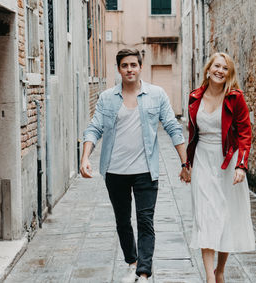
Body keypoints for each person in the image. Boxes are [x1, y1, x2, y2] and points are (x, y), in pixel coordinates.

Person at [81, 48, 191, 283]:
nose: (129, 69)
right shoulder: (107, 98)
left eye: (133, 65)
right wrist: (85, 157)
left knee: (145, 221)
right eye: (125, 65)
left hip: (145, 171)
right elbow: (94, 128)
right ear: (119, 69)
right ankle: (132, 262)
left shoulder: (157, 94)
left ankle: (143, 273)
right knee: (122, 222)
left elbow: (173, 127)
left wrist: (185, 162)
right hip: (115, 171)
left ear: (140, 67)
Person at [186, 52, 255, 283]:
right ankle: (208, 277)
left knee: (226, 217)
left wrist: (241, 166)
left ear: (230, 73)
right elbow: (192, 134)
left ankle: (220, 271)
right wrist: (187, 164)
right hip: (203, 161)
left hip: (228, 160)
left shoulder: (235, 98)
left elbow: (245, 133)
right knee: (205, 216)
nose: (220, 71)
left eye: (225, 68)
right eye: (216, 66)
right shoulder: (195, 97)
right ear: (208, 69)